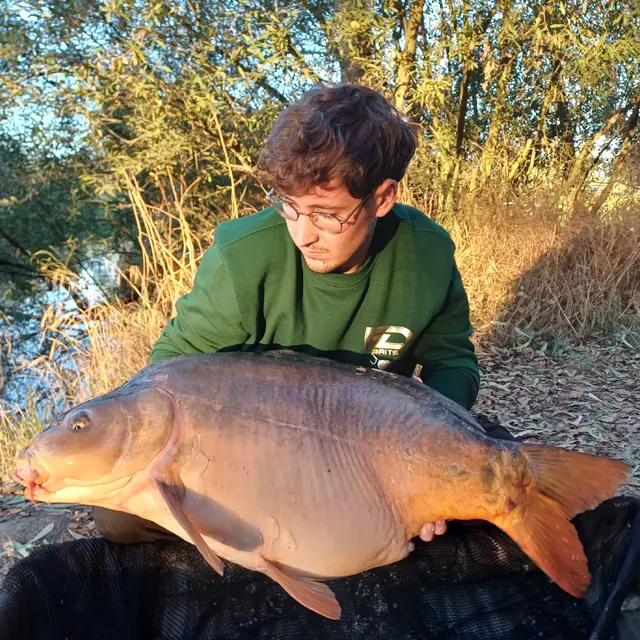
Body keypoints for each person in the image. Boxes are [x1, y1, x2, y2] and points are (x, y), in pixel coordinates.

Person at [94, 83, 479, 547]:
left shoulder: (427, 254)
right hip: (258, 451)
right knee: (121, 520)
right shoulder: (243, 258)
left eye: (325, 215)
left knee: (488, 494)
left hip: (371, 454)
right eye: (290, 207)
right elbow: (168, 373)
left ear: (381, 198)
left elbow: (453, 366)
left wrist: (430, 464)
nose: (303, 234)